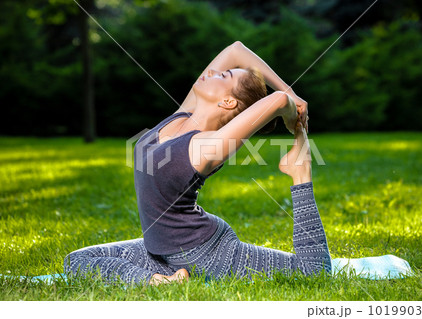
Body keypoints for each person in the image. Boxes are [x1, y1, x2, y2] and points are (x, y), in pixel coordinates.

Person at [64, 41, 331, 286]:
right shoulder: (182, 114)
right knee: (75, 261)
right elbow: (236, 51)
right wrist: (290, 90)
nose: (212, 71)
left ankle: (300, 171)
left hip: (205, 253)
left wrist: (290, 106)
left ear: (227, 101)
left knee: (314, 270)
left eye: (222, 76)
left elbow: (277, 101)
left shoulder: (208, 146)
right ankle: (158, 280)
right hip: (162, 250)